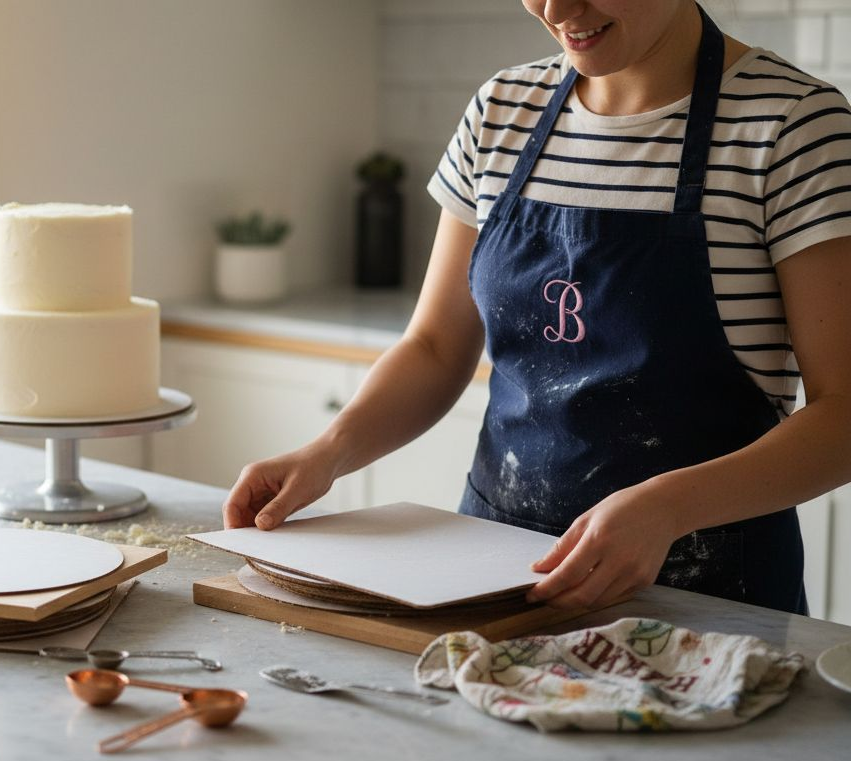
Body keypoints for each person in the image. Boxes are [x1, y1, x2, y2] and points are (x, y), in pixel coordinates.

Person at [221, 0, 851, 615]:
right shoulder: (502, 109)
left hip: (704, 592)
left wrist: (669, 508)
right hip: (495, 570)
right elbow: (436, 348)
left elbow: (843, 414)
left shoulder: (794, 125)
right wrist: (327, 452)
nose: (557, 8)